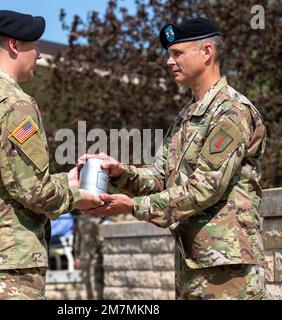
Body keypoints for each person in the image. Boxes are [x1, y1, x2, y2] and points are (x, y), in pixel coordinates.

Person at [81, 17, 267, 300]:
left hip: (228, 268)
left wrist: (133, 206)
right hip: (195, 260)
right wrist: (120, 173)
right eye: (169, 54)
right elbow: (160, 177)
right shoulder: (188, 115)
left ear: (207, 52)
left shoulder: (231, 111)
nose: (169, 61)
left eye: (177, 53)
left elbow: (204, 188)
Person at [0, 10, 102, 300]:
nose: (40, 55)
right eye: (35, 46)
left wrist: (64, 180)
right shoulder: (14, 103)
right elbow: (33, 190)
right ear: (14, 46)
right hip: (9, 264)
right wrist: (79, 195)